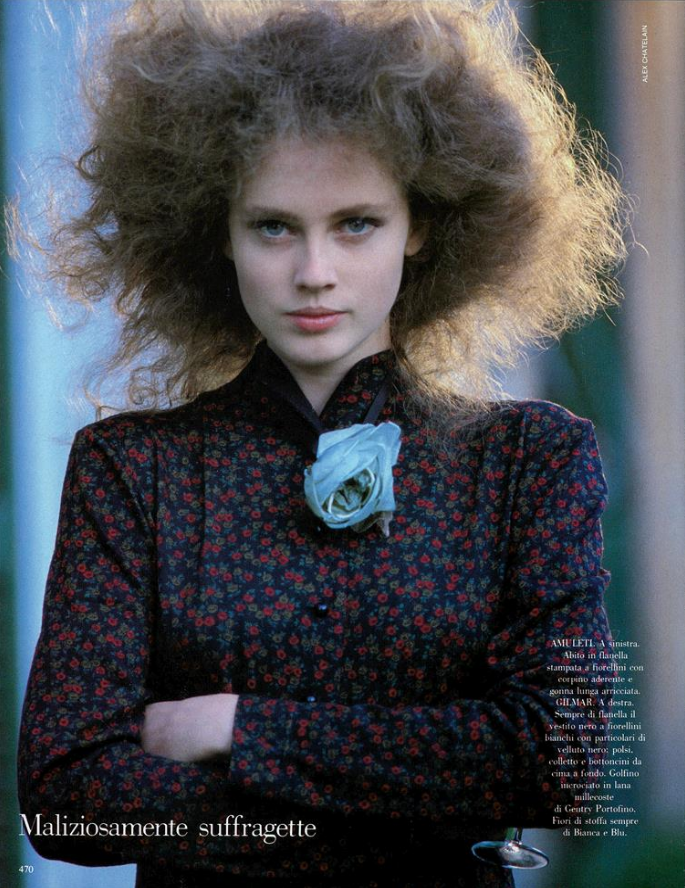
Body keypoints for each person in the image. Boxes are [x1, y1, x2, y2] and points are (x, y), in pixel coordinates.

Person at [17, 1, 626, 886]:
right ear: (218, 232)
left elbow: (561, 763)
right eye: (273, 225)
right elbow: (63, 795)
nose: (313, 273)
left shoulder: (528, 460)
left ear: (420, 224)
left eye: (355, 223)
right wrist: (403, 806)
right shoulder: (134, 470)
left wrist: (235, 727)